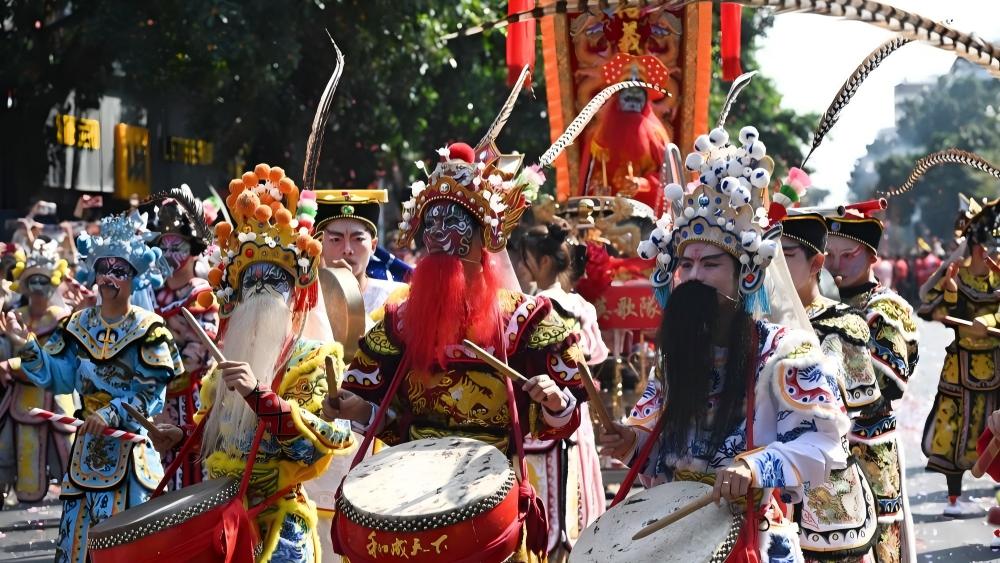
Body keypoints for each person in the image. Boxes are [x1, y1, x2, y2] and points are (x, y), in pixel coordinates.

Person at [326, 141, 586, 562]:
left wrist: (554, 401)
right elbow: (379, 407)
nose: (440, 236)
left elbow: (563, 413)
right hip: (409, 486)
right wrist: (352, 406)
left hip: (490, 485)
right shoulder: (402, 319)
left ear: (484, 240)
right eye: (432, 227)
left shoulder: (524, 318)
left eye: (455, 226)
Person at [608, 124, 850, 561]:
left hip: (750, 533)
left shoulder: (785, 353)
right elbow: (653, 442)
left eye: (712, 264)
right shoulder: (674, 355)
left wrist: (756, 465)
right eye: (687, 264)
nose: (696, 276)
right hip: (673, 531)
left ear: (746, 275)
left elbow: (825, 445)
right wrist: (629, 442)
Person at [152, 164, 355, 562]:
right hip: (221, 522)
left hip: (278, 525)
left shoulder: (312, 360)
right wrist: (178, 436)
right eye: (252, 283)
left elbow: (322, 444)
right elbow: (216, 432)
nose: (262, 292)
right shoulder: (226, 363)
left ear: (295, 293)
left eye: (275, 282)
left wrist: (257, 395)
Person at [0, 212, 183, 563]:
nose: (109, 278)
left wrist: (111, 412)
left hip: (130, 458)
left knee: (124, 551)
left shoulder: (149, 328)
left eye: (119, 271)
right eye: (103, 269)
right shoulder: (78, 324)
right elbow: (59, 375)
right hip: (85, 454)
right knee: (74, 548)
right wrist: (26, 346)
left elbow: (149, 394)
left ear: (134, 277)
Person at [781, 213, 882, 561]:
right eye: (767, 255)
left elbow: (848, 401)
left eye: (786, 255)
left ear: (816, 263)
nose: (772, 266)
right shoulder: (753, 324)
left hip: (826, 490)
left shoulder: (842, 324)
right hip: (765, 487)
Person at [826, 210, 919, 563]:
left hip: (871, 446)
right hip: (832, 447)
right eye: (829, 256)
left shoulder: (888, 309)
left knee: (878, 536)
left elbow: (881, 382)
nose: (837, 265)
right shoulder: (828, 305)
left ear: (871, 256)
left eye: (847, 255)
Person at [518, 219, 608, 558]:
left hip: (545, 414)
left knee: (551, 499)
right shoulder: (581, 305)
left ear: (542, 262)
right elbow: (597, 354)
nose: (522, 267)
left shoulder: (534, 308)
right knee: (579, 487)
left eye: (525, 259)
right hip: (579, 415)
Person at [918, 199, 1000, 517]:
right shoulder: (958, 275)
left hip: (995, 364)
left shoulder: (997, 279)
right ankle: (954, 498)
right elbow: (930, 304)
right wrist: (950, 290)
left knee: (993, 428)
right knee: (955, 429)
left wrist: (990, 323)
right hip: (960, 366)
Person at [149, 186, 219, 489]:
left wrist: (171, 369)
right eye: (163, 246)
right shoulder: (151, 292)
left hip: (191, 395)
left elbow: (203, 347)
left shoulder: (201, 293)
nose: (168, 253)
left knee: (189, 465)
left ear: (193, 249)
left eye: (175, 246)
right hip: (154, 392)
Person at [0, 239, 74, 505]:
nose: (39, 288)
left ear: (53, 283)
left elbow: (53, 357)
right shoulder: (14, 314)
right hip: (20, 396)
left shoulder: (62, 318)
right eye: (34, 281)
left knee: (68, 451)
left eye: (44, 281)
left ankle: (78, 497)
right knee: (8, 448)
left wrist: (12, 364)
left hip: (55, 395)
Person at [579, 54, 671, 214]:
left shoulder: (657, 134)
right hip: (606, 213)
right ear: (618, 96)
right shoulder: (598, 135)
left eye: (638, 95)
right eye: (628, 95)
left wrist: (642, 183)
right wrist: (598, 188)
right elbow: (588, 180)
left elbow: (667, 179)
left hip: (645, 213)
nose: (633, 100)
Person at [315, 189, 407, 323]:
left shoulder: (396, 299)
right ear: (320, 245)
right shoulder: (305, 303)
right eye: (336, 239)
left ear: (373, 246)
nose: (347, 249)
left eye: (358, 239)